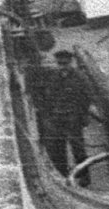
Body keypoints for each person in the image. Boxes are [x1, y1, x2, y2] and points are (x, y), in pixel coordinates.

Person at [38, 50, 96, 183]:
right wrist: (49, 114)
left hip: (73, 117)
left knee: (78, 148)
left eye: (65, 63)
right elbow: (47, 97)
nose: (63, 66)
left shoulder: (80, 77)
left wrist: (83, 115)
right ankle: (63, 175)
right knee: (58, 147)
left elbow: (88, 96)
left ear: (71, 62)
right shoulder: (53, 76)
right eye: (60, 64)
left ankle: (84, 176)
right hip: (57, 117)